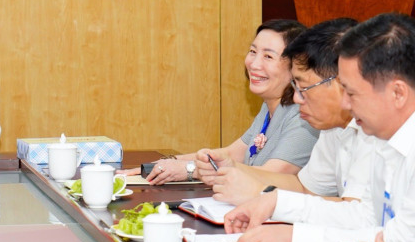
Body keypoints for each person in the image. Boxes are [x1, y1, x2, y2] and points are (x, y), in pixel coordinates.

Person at [224, 13, 415, 242]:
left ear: (398, 93)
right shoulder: (384, 135)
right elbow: (365, 217)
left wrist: (295, 238)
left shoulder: (381, 136)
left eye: (351, 93)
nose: (345, 104)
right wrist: (277, 203)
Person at [204, 18, 378, 205]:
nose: (296, 98)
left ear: (341, 83)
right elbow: (304, 188)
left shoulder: (376, 130)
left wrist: (265, 197)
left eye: (304, 87)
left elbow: (355, 210)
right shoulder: (333, 128)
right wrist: (235, 169)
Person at [136, 20, 318, 184]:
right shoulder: (270, 106)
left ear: (297, 66)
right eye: (253, 52)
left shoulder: (304, 116)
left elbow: (271, 176)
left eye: (268, 56)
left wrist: (191, 170)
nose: (254, 64)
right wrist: (164, 163)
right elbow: (232, 154)